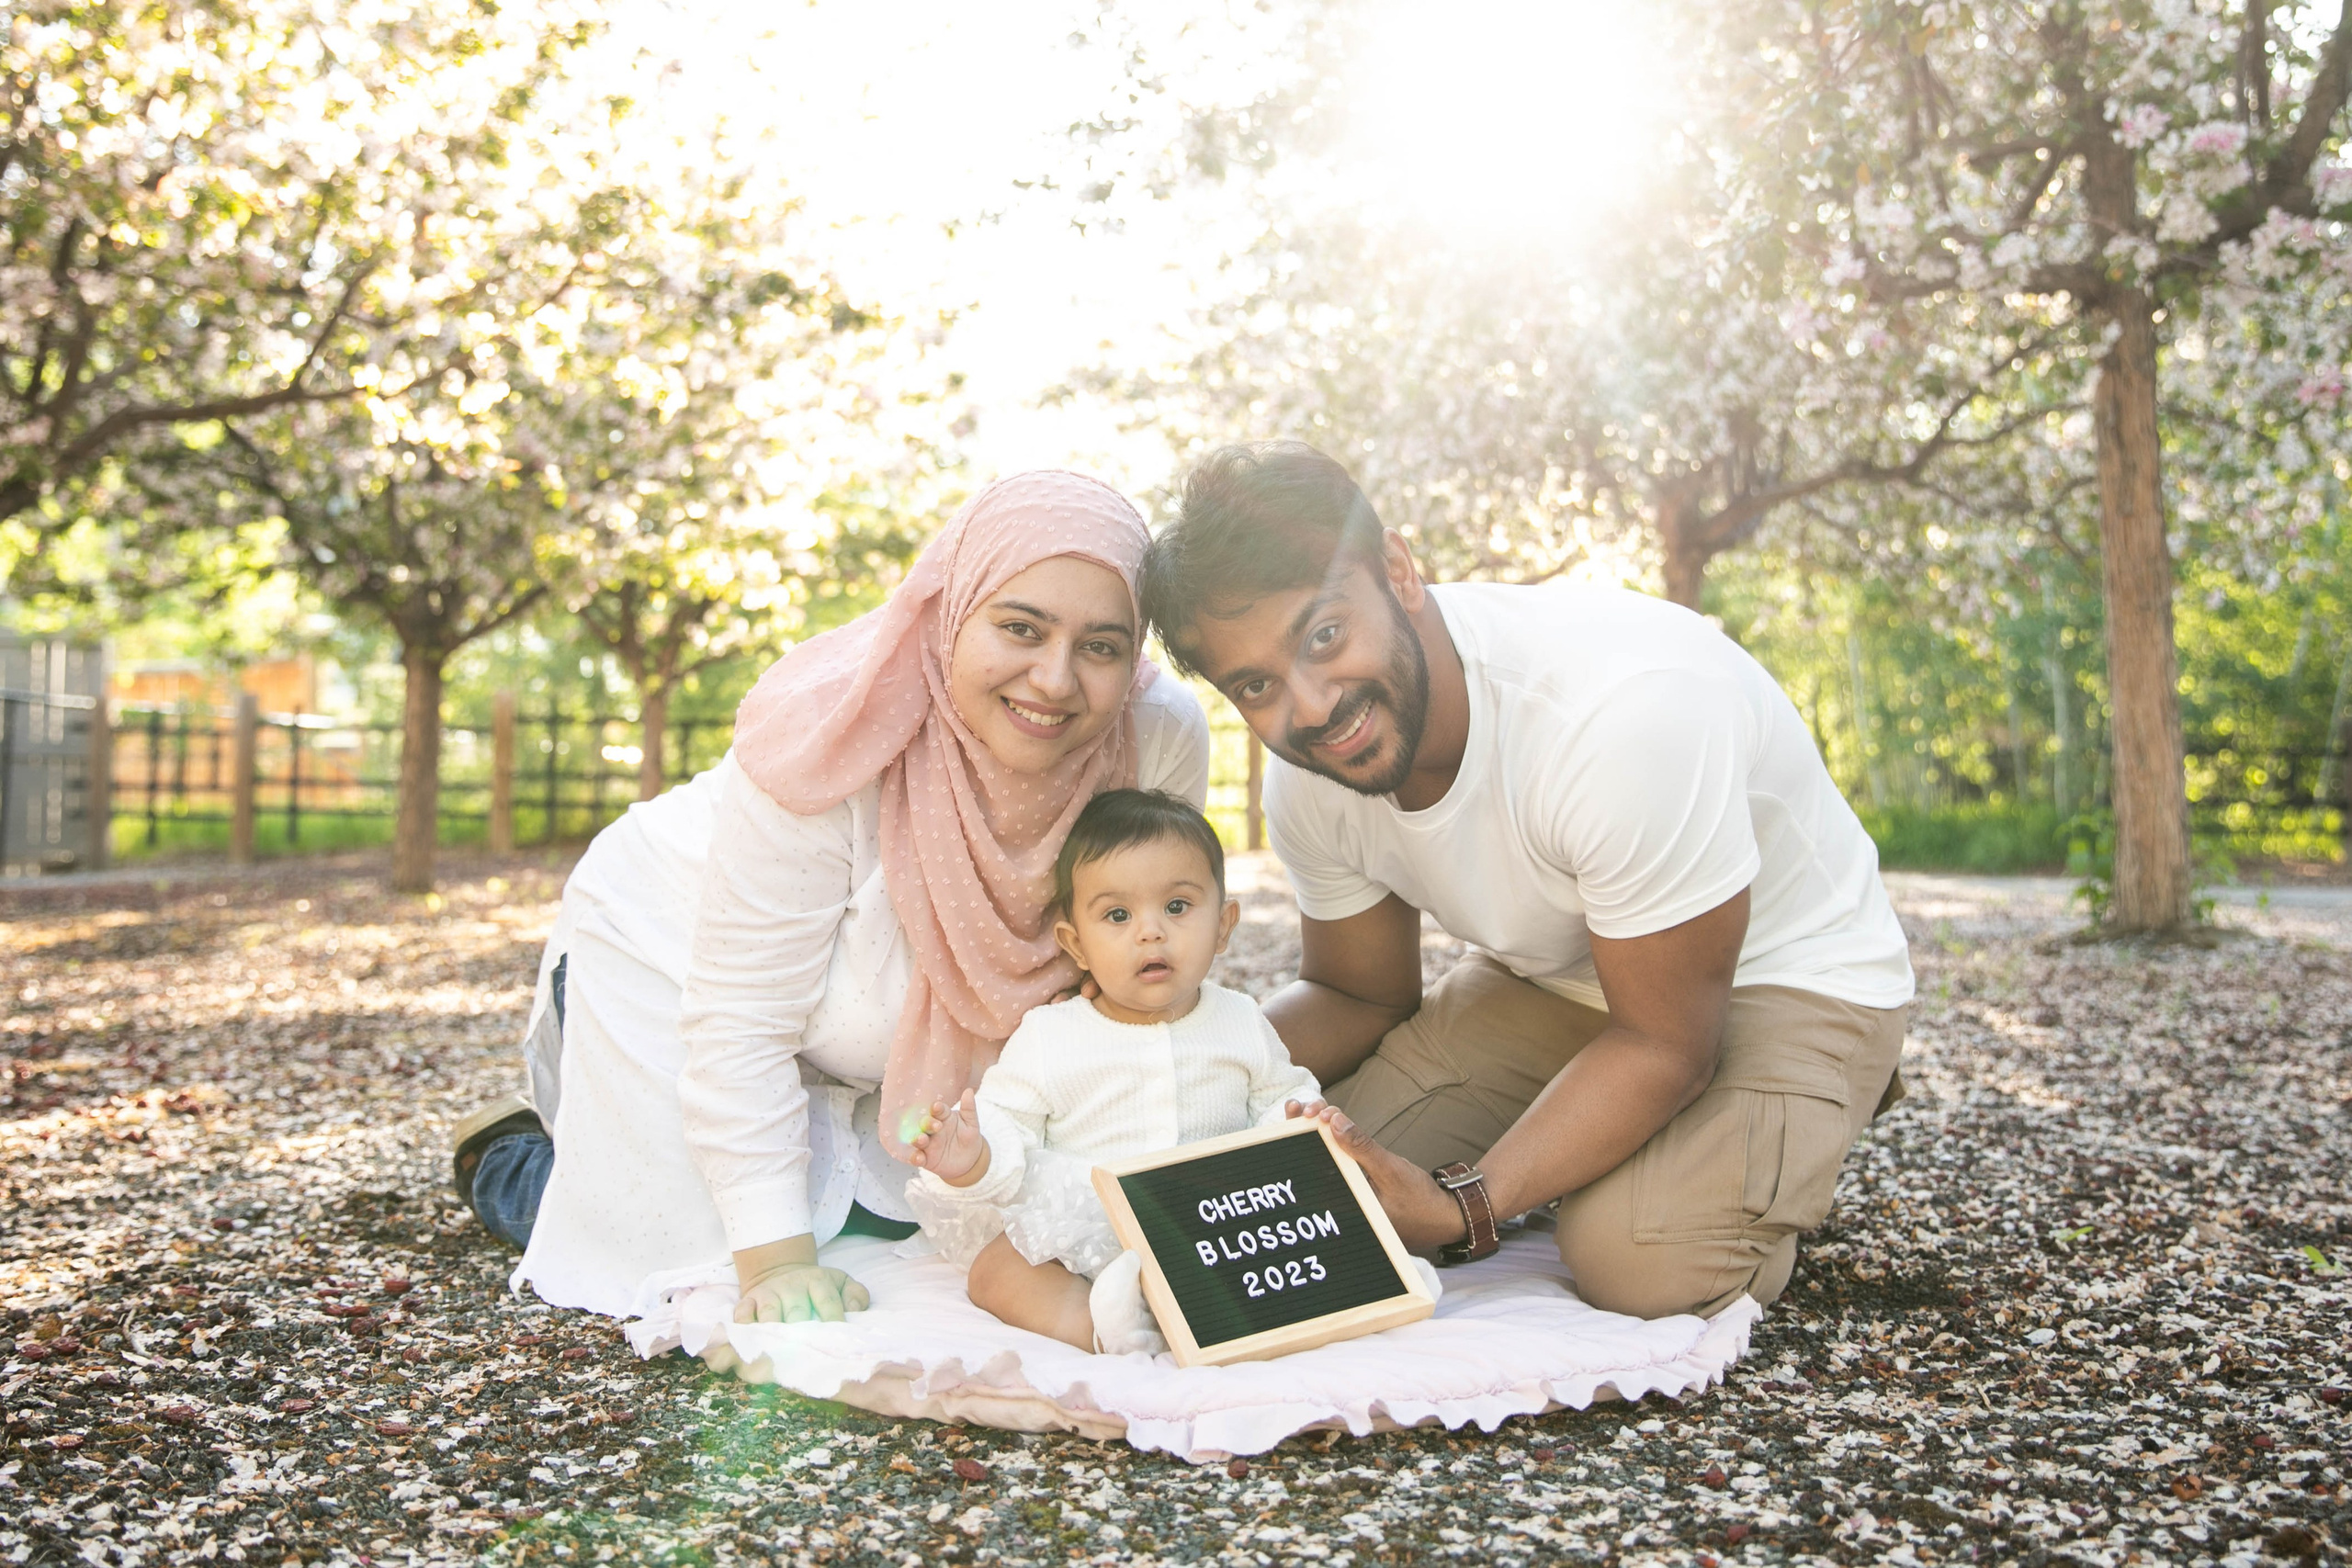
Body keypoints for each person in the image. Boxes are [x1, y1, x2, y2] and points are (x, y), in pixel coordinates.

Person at [1140, 441, 1914, 1321]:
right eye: (1256, 685)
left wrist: (1462, 1204)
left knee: (1635, 1260)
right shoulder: (1308, 776)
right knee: (1307, 1187)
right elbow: (1357, 992)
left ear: (1398, 570)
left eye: (1324, 636)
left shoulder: (1619, 715)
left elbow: (1665, 1041)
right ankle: (1624, 1142)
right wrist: (1172, 1069)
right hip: (1558, 978)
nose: (1313, 706)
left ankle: (1807, 1100)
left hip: (1781, 977)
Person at [450, 472, 1209, 1327]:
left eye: (1102, 646)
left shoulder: (1156, 735)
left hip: (874, 1017)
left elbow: (1134, 985)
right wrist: (776, 1264)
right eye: (1020, 628)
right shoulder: (830, 733)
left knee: (920, 1217)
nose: (1054, 678)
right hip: (673, 944)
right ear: (954, 608)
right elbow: (740, 1017)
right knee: (691, 1254)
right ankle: (509, 1159)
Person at [900, 788, 1323, 1355]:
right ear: (1076, 945)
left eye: (1177, 907)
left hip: (1212, 1226)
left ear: (1224, 926)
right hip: (1088, 1228)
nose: (1150, 931)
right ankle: (1103, 1328)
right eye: (1118, 915)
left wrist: (1297, 1119)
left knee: (1296, 1240)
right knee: (997, 1270)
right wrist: (973, 1155)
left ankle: (1243, 1302)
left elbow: (1283, 1097)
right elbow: (1008, 1123)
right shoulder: (1051, 1035)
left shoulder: (1241, 1020)